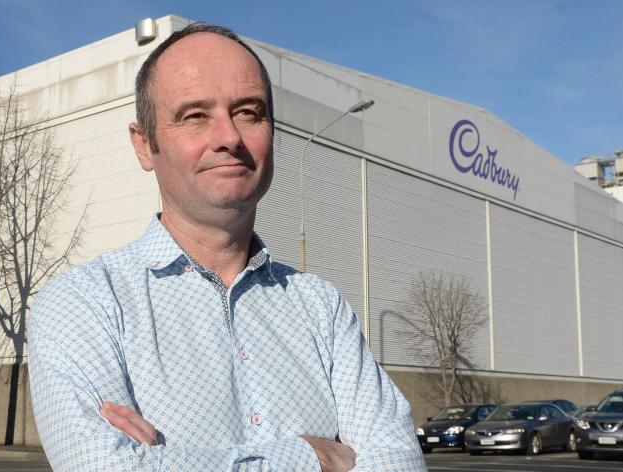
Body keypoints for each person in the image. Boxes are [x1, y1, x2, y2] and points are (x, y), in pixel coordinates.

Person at [28, 22, 425, 471]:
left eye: (248, 112)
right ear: (144, 146)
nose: (229, 138)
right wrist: (308, 458)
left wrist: (167, 462)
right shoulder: (84, 304)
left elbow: (400, 461)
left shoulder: (321, 308)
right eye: (195, 115)